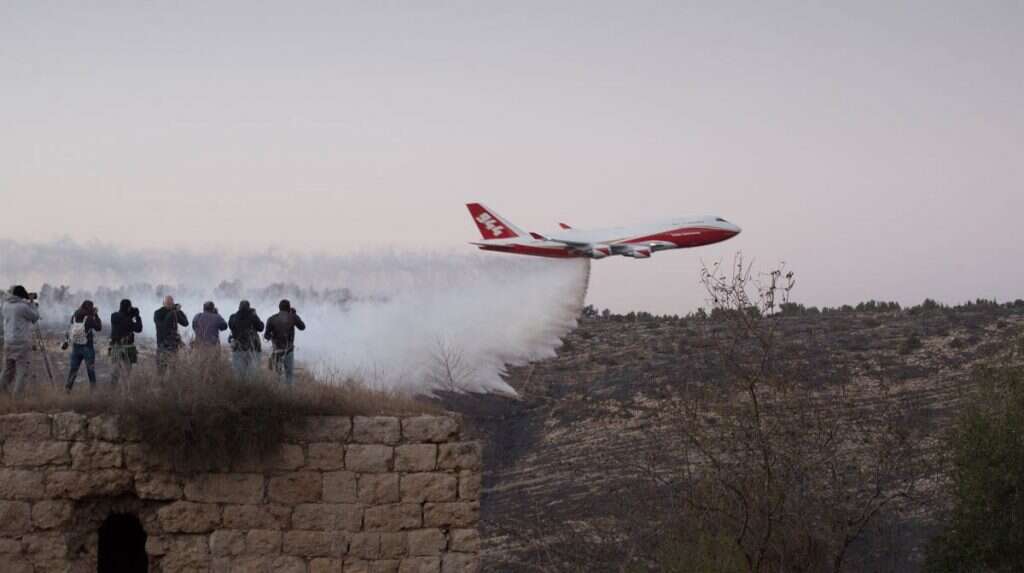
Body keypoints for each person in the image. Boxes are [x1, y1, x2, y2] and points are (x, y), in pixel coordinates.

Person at [0, 286, 40, 396]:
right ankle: (17, 397)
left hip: (8, 341)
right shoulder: (22, 307)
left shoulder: (5, 305)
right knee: (22, 371)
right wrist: (31, 303)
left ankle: (2, 391)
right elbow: (35, 317)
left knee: (7, 370)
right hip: (21, 342)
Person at [64, 300, 103, 392]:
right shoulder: (89, 318)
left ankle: (67, 389)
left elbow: (70, 329)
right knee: (90, 370)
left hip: (76, 346)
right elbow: (99, 328)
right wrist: (96, 315)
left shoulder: (74, 316)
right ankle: (93, 391)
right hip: (87, 346)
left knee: (73, 369)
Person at [264, 299, 305, 385]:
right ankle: (289, 395)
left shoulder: (272, 319)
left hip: (277, 350)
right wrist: (294, 315)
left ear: (279, 308)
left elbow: (266, 336)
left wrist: (273, 337)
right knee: (289, 375)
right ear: (289, 308)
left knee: (277, 375)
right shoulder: (293, 317)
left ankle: (277, 394)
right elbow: (302, 327)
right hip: (289, 350)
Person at [109, 299, 143, 386]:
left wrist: (130, 314)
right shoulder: (128, 320)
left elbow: (122, 318)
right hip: (127, 347)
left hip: (115, 346)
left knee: (115, 370)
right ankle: (125, 390)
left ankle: (113, 389)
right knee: (127, 371)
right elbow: (139, 328)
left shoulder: (114, 316)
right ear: (128, 308)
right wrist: (137, 316)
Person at [228, 300, 264, 379]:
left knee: (238, 375)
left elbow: (231, 326)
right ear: (249, 307)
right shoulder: (253, 316)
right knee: (252, 375)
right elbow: (261, 327)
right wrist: (254, 314)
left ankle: (240, 390)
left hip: (238, 348)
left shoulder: (233, 317)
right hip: (252, 349)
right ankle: (249, 390)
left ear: (239, 307)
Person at [154, 296, 188, 374]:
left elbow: (185, 323)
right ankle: (161, 385)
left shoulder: (175, 312)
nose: (169, 305)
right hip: (162, 345)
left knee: (174, 370)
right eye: (168, 303)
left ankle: (172, 385)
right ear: (163, 303)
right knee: (161, 371)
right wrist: (172, 312)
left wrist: (179, 311)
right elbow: (163, 325)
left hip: (173, 346)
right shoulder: (158, 313)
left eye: (171, 303)